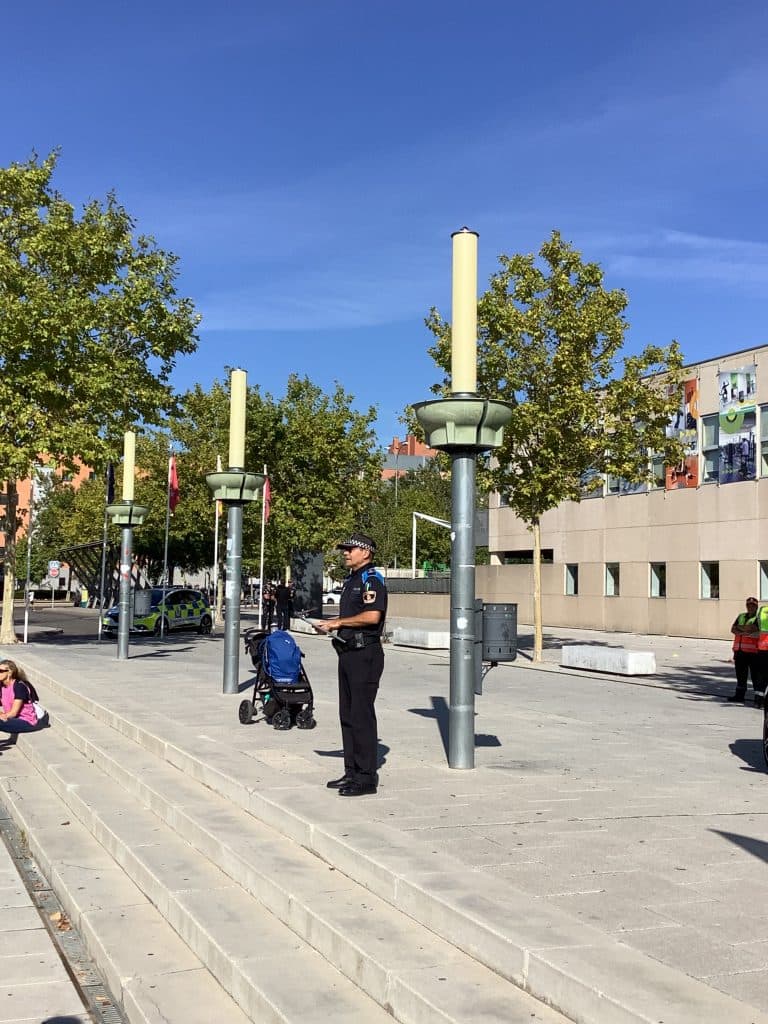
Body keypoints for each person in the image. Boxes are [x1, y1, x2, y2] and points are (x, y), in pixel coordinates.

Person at [315, 532, 387, 797]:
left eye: (350, 549)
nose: (345, 553)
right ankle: (352, 772)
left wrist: (339, 623)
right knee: (347, 715)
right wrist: (330, 625)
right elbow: (350, 616)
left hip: (364, 654)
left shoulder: (371, 579)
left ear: (365, 552)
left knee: (361, 715)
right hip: (346, 652)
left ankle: (367, 778)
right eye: (344, 549)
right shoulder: (352, 580)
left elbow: (371, 616)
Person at [729, 597, 761, 706]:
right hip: (739, 651)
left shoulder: (759, 618)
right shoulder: (741, 616)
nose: (750, 607)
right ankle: (739, 696)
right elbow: (733, 629)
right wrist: (745, 629)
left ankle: (758, 699)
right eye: (749, 605)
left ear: (756, 607)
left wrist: (740, 629)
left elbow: (753, 629)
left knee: (756, 677)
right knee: (740, 676)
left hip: (753, 653)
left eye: (753, 605)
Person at [0, 660, 44, 739]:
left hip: (26, 721)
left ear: (10, 673)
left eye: (1, 671)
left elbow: (13, 713)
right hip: (12, 719)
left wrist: (3, 715)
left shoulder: (19, 686)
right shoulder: (1, 686)